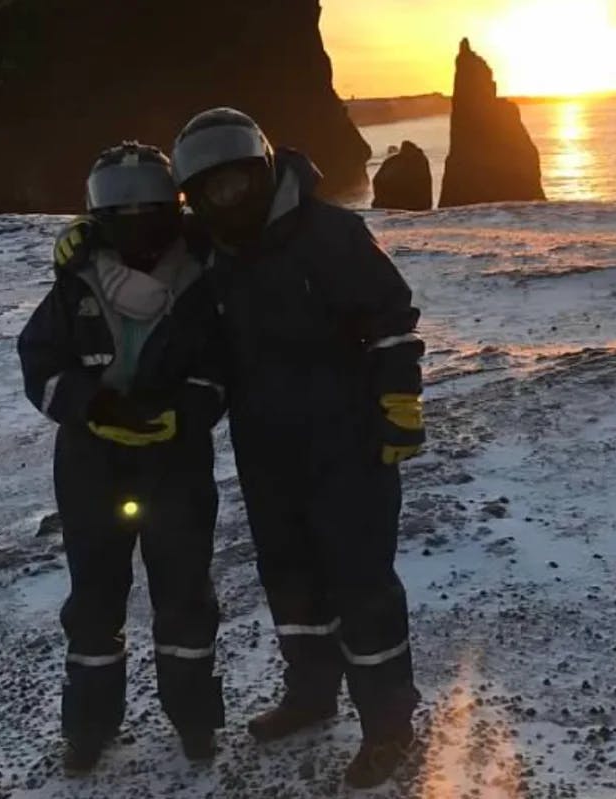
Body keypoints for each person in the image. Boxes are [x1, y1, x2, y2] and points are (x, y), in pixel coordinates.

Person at [170, 108, 426, 788]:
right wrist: (83, 240)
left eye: (237, 183)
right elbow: (136, 243)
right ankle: (311, 694)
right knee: (289, 575)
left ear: (261, 171)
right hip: (264, 446)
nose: (227, 200)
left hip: (349, 439)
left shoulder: (332, 233)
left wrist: (400, 403)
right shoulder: (209, 253)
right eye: (209, 191)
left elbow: (392, 319)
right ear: (193, 197)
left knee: (362, 583)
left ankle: (390, 723)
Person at [17, 142, 226, 772]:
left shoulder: (203, 276)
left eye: (150, 211)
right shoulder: (76, 279)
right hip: (90, 462)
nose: (136, 225)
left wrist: (183, 413)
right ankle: (88, 726)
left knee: (185, 596)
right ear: (97, 217)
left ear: (173, 208)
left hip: (176, 461)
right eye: (121, 213)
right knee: (94, 601)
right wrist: (93, 408)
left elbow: (221, 365)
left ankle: (194, 721)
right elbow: (39, 363)